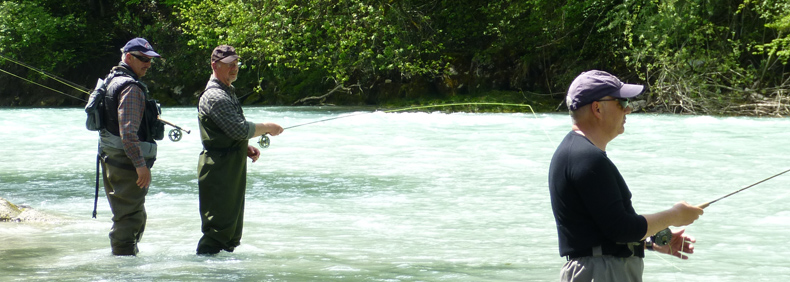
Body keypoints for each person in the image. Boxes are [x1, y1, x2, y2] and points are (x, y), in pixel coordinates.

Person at [548, 70, 705, 281]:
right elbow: (621, 228)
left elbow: (602, 228)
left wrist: (651, 242)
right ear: (597, 108)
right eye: (621, 102)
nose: (628, 109)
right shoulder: (587, 158)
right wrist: (675, 215)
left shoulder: (577, 153)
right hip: (602, 273)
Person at [196, 45, 284, 255]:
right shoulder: (216, 96)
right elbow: (240, 129)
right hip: (219, 170)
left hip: (230, 165)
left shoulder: (227, 91)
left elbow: (229, 131)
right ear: (215, 65)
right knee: (218, 231)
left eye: (236, 64)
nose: (234, 68)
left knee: (231, 231)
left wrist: (243, 148)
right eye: (229, 65)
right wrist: (269, 128)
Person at [99, 37, 164, 256]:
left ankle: (123, 263)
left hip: (110, 157)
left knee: (127, 215)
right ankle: (123, 270)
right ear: (128, 57)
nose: (148, 64)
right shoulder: (131, 88)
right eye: (143, 59)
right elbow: (128, 133)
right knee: (130, 218)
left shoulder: (111, 80)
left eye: (150, 60)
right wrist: (140, 165)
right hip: (126, 163)